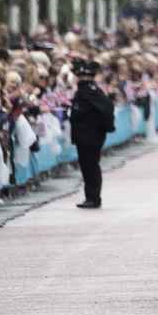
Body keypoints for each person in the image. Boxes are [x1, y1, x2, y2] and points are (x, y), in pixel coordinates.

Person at [70, 59, 115, 209]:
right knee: (90, 166)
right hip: (90, 135)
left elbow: (105, 109)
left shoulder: (87, 92)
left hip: (88, 136)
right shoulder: (93, 91)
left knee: (90, 167)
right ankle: (92, 197)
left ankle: (93, 197)